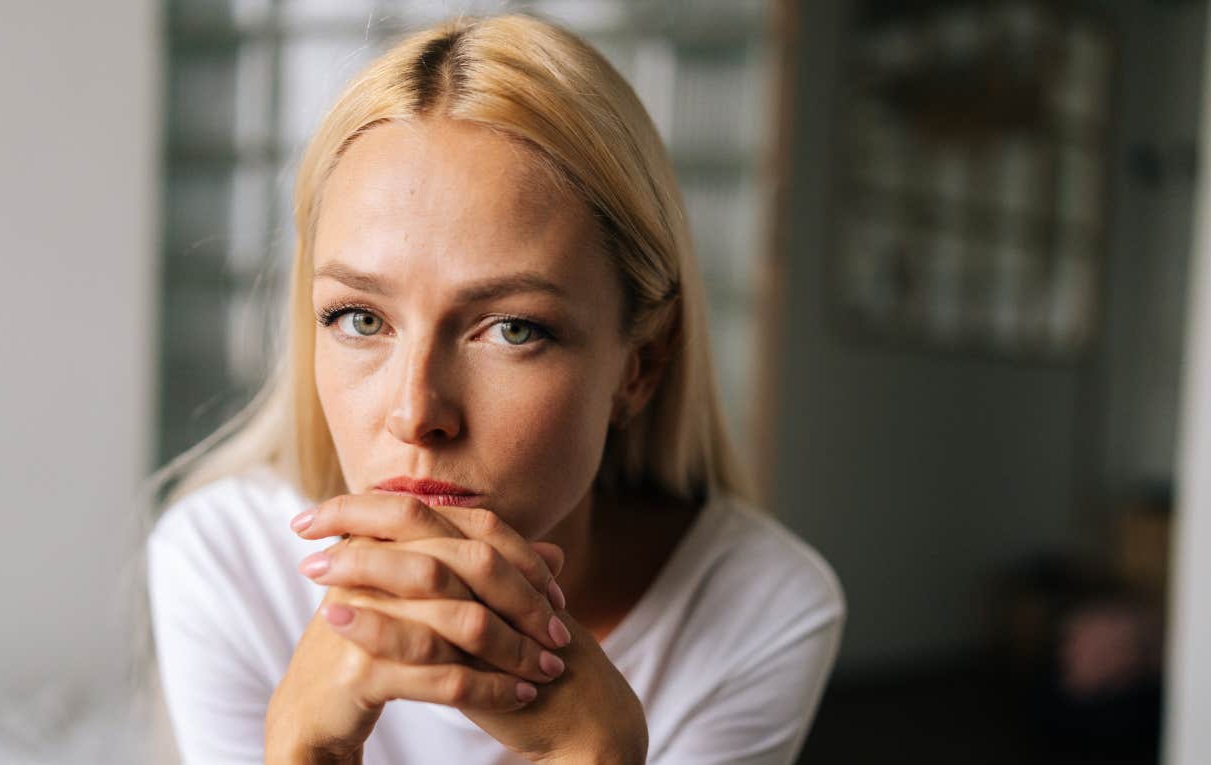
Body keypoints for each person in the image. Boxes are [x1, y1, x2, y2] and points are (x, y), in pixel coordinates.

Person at [146, 13, 845, 765]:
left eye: (512, 329)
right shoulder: (224, 561)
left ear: (639, 364)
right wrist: (299, 750)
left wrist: (595, 753)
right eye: (358, 317)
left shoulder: (762, 608)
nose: (417, 411)